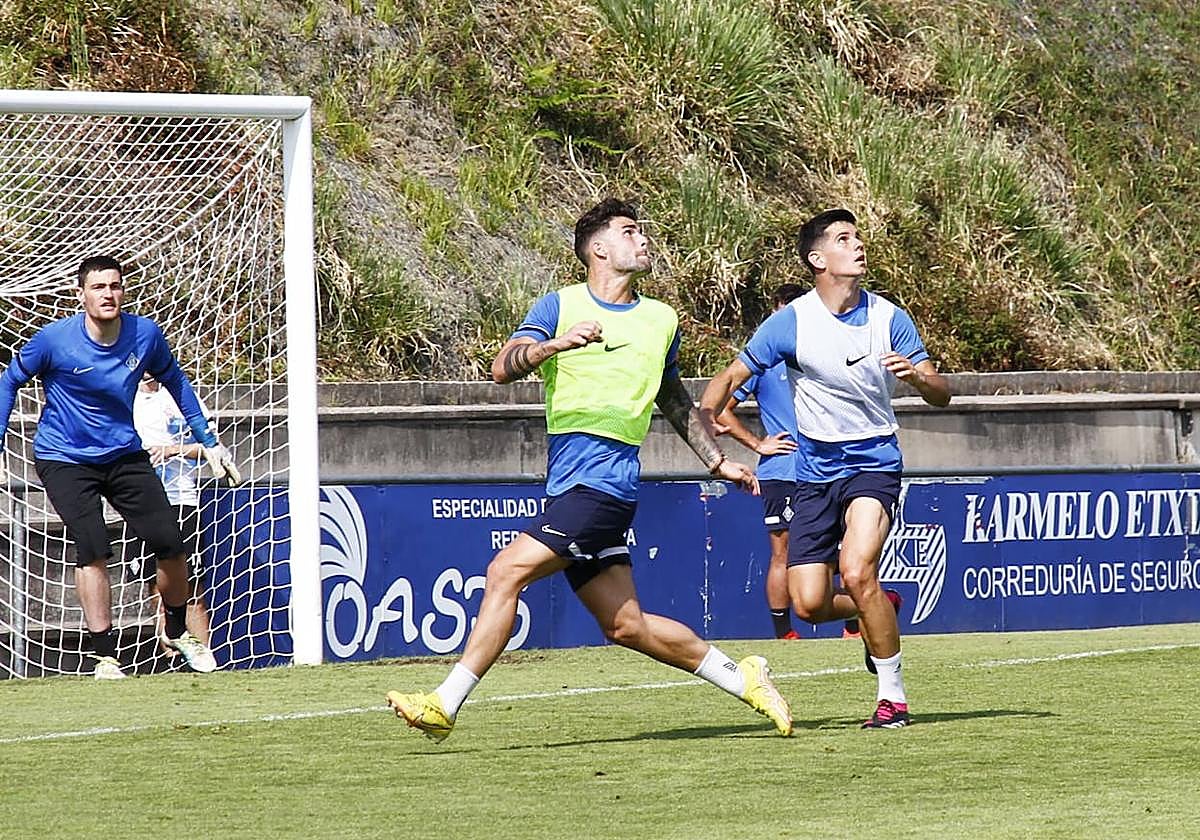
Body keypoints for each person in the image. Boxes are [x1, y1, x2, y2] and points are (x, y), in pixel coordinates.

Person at [386, 198, 792, 741]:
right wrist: (553, 345)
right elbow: (502, 367)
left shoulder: (661, 319)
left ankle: (444, 703)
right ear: (598, 248)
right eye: (630, 232)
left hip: (605, 487)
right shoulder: (559, 305)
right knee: (626, 625)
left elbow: (671, 398)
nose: (643, 240)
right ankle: (742, 677)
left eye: (643, 231)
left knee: (506, 570)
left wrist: (717, 461)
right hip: (568, 485)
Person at [700, 209, 951, 729]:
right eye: (844, 239)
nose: (858, 245)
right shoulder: (792, 320)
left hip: (874, 463)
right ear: (818, 259)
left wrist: (920, 380)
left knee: (858, 570)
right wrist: (711, 415)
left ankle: (892, 698)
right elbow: (730, 376)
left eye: (858, 236)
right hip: (813, 473)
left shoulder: (889, 318)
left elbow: (942, 393)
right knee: (809, 604)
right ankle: (879, 606)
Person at [0, 255, 240, 679]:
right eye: (98, 287)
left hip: (124, 454)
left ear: (122, 291)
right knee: (92, 544)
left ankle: (180, 631)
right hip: (64, 458)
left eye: (114, 286)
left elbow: (176, 381)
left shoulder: (144, 334)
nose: (108, 294)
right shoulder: (54, 341)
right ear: (82, 294)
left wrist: (209, 441)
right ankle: (105, 656)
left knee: (170, 541)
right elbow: (9, 380)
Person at [715, 283, 862, 642]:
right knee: (783, 553)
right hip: (785, 471)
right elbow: (721, 410)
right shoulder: (763, 362)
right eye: (781, 312)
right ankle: (785, 635)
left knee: (846, 550)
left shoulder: (825, 349)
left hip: (832, 466)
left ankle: (853, 628)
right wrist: (757, 444)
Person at [130, 372, 213, 662]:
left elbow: (212, 447)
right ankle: (172, 662)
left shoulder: (181, 394)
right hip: (136, 502)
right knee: (156, 587)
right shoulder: (122, 396)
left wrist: (172, 450)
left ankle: (202, 659)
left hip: (181, 501)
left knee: (190, 586)